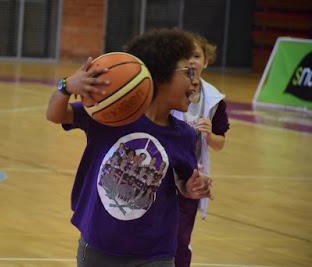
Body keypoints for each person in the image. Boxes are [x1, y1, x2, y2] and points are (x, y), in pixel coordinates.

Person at [46, 28, 212, 267]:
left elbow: (184, 184)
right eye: (187, 72)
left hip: (156, 252)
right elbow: (55, 114)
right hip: (99, 244)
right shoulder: (110, 115)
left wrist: (193, 187)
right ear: (160, 75)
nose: (195, 81)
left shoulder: (184, 134)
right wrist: (66, 86)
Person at [171, 32, 230, 267]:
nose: (192, 61)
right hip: (162, 172)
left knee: (181, 238)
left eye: (196, 55)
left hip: (191, 177)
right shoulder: (166, 89)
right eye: (186, 56)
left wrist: (209, 135)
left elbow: (220, 143)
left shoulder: (214, 100)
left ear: (206, 61)